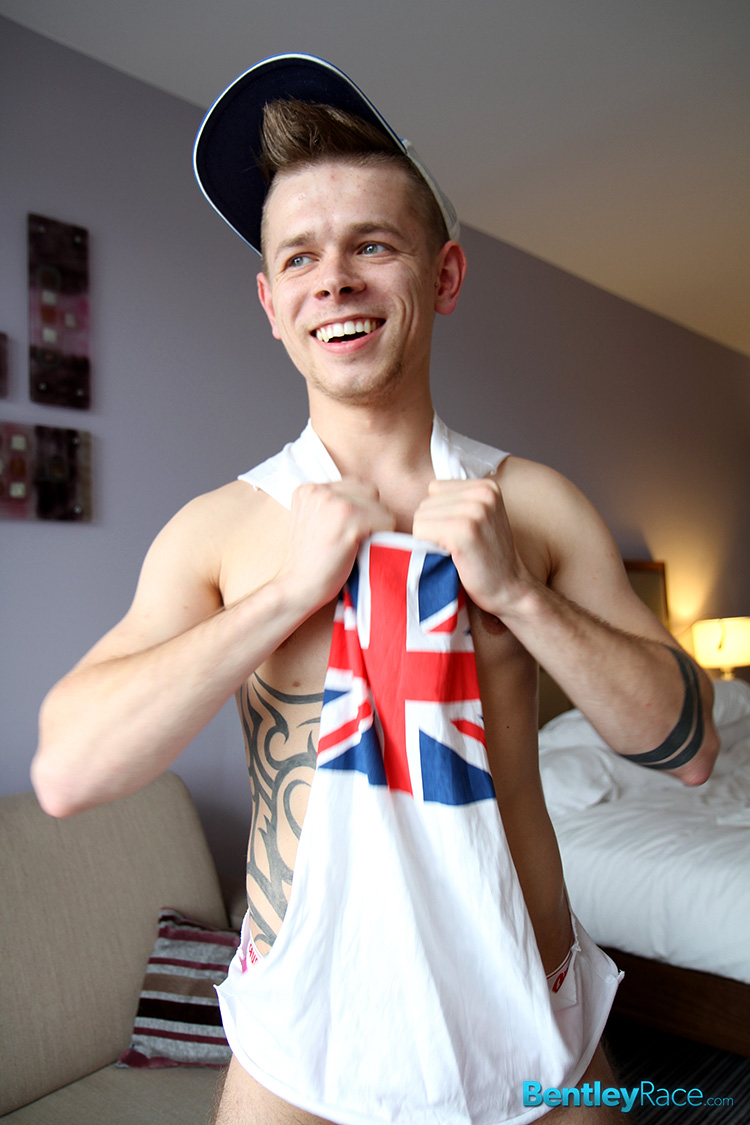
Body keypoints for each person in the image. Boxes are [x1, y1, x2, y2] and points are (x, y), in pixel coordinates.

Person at [32, 54, 719, 1125]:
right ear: (271, 303)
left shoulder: (534, 507)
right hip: (303, 1053)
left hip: (534, 1035)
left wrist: (522, 598)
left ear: (443, 276)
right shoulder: (221, 531)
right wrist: (279, 598)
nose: (334, 281)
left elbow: (690, 747)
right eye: (299, 257)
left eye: (372, 246)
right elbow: (69, 771)